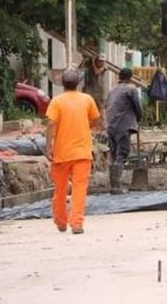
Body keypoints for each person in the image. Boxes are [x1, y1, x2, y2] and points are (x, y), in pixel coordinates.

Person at [45, 68, 102, 234]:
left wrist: (49, 145)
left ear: (62, 84)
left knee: (60, 189)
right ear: (78, 83)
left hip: (61, 153)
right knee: (79, 189)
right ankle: (76, 224)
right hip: (83, 153)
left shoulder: (56, 101)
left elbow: (50, 124)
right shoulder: (87, 100)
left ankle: (61, 221)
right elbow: (96, 120)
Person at [105, 67, 143, 194]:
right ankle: (116, 187)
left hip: (111, 126)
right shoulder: (131, 89)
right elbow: (138, 106)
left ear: (119, 77)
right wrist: (139, 118)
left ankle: (113, 185)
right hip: (123, 126)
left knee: (114, 154)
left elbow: (107, 107)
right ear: (130, 77)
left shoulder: (112, 90)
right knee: (122, 154)